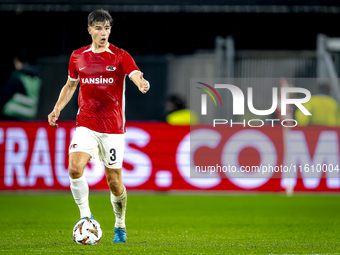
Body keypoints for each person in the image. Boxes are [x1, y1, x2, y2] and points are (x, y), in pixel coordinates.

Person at [47, 9, 150, 243]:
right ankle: (86, 217)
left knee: (114, 183)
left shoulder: (120, 55)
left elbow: (134, 73)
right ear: (90, 30)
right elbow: (71, 86)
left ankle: (120, 225)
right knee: (74, 168)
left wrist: (140, 82)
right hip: (86, 123)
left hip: (113, 128)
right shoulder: (78, 57)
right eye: (99, 28)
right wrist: (57, 109)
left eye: (107, 28)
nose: (104, 33)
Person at [0, 50, 42, 120]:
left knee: (8, 105)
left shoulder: (18, 77)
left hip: (18, 116)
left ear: (16, 61)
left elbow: (4, 95)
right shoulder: (37, 77)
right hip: (35, 113)